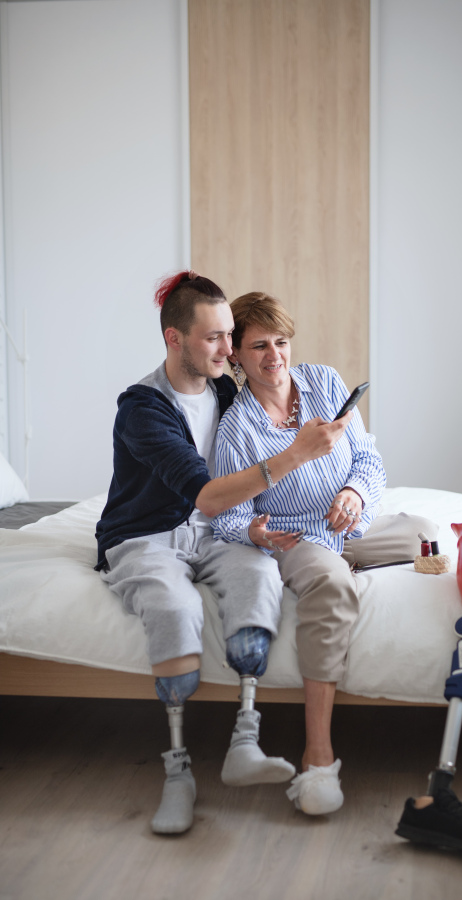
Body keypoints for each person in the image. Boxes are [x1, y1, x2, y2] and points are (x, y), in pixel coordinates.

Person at [95, 272, 350, 835]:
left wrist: (267, 524)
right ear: (174, 339)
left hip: (209, 533)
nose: (229, 349)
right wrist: (297, 453)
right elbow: (208, 491)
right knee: (174, 606)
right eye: (214, 338)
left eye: (230, 335)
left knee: (260, 577)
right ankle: (179, 770)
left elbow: (229, 492)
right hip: (147, 535)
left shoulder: (224, 389)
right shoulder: (142, 408)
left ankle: (246, 739)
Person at [212, 291, 438, 816]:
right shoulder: (236, 429)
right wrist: (256, 533)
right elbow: (221, 514)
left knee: (428, 534)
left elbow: (368, 460)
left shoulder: (326, 383)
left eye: (282, 341)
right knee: (332, 585)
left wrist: (355, 493)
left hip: (349, 524)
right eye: (259, 346)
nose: (275, 356)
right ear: (238, 358)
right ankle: (318, 756)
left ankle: (359, 564)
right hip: (299, 539)